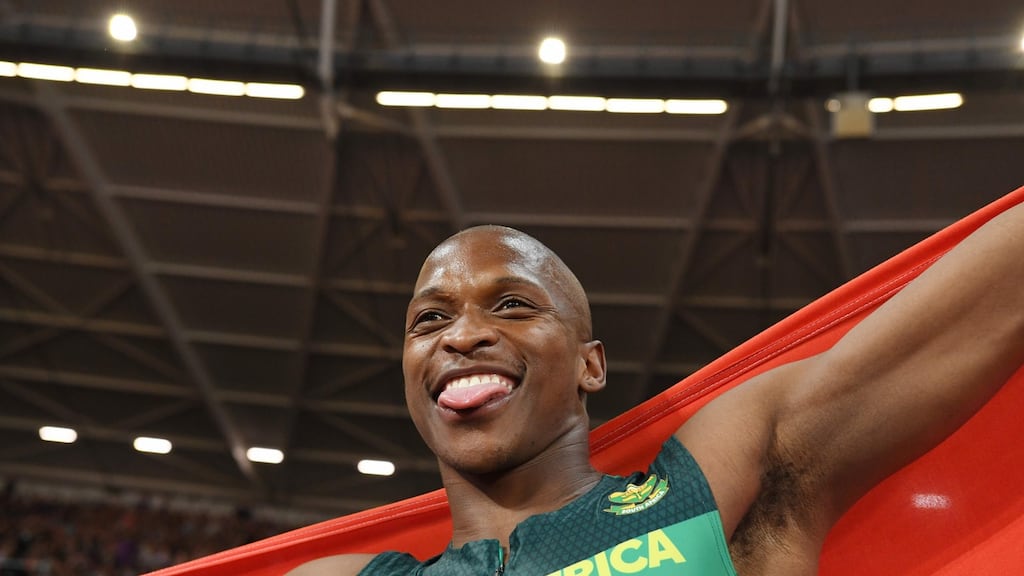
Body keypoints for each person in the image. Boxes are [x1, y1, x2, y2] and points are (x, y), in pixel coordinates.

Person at [288, 200, 1024, 575]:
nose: (460, 335)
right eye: (430, 319)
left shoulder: (714, 494)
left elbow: (973, 311)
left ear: (590, 365)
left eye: (511, 305)